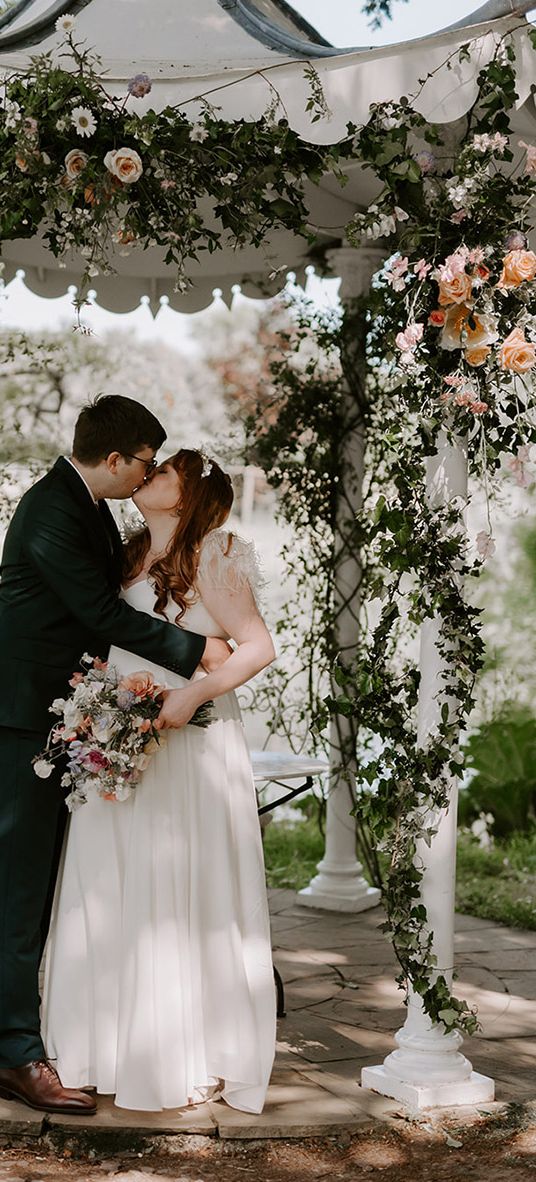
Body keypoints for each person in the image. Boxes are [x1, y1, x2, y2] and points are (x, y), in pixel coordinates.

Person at [0, 400, 230, 1117]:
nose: (145, 478)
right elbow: (100, 613)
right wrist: (197, 653)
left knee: (41, 892)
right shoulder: (52, 511)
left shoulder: (86, 505)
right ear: (117, 459)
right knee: (19, 893)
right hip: (21, 718)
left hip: (62, 716)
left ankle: (31, 1037)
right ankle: (15, 1056)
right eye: (144, 463)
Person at [43, 449, 277, 1114]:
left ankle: (185, 1050)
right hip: (118, 733)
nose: (149, 476)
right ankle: (102, 1046)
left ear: (190, 494)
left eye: (166, 471)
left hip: (186, 745)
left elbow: (256, 647)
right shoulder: (128, 553)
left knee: (180, 893)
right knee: (109, 880)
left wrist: (192, 695)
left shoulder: (215, 552)